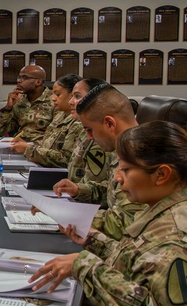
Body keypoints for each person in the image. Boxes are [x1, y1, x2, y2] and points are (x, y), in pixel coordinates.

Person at [30, 121, 187, 306]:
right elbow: (144, 264)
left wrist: (85, 267)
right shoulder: (168, 208)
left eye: (126, 170)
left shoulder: (177, 238)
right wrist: (93, 241)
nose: (118, 178)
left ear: (161, 174)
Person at [52, 83, 146, 240]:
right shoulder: (122, 147)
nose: (89, 137)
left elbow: (127, 222)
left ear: (110, 124)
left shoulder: (141, 156)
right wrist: (78, 190)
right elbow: (112, 194)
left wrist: (63, 213)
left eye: (90, 129)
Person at [11, 73, 84, 167]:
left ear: (71, 95)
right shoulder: (60, 115)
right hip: (42, 166)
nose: (53, 99)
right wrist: (26, 145)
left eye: (58, 94)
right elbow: (48, 145)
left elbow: (66, 159)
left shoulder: (78, 122)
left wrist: (29, 149)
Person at [0, 64, 54, 142]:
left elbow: (57, 135)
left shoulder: (54, 100)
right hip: (19, 145)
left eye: (24, 78)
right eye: (19, 77)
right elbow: (3, 132)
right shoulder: (19, 99)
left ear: (38, 82)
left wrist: (29, 148)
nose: (19, 81)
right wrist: (8, 108)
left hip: (41, 149)